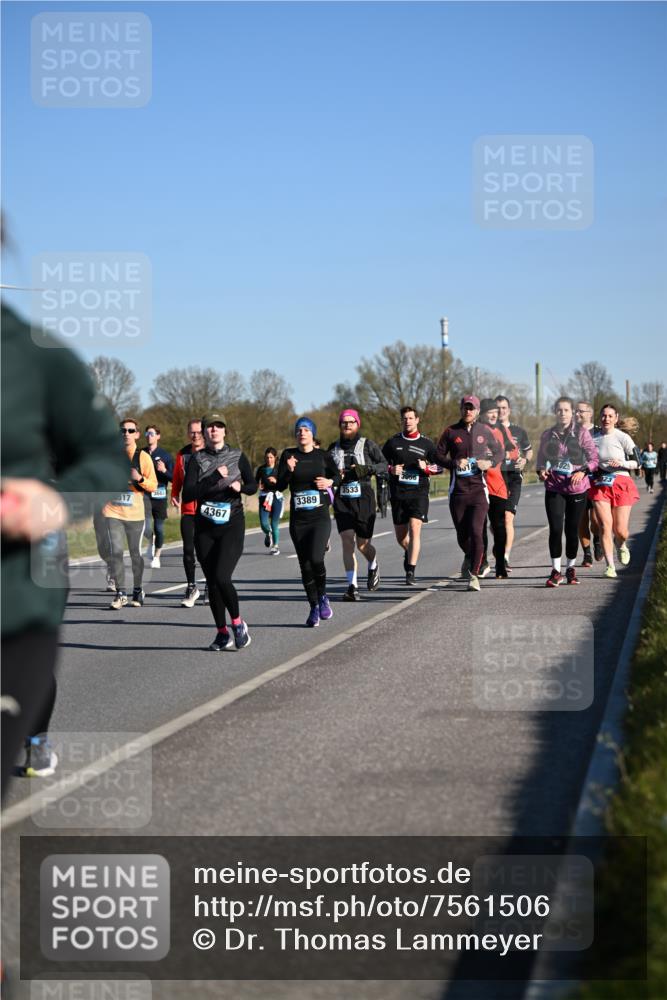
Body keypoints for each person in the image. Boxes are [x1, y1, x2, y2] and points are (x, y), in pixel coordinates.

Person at [1, 300, 127, 796]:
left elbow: (106, 457)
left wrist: (56, 502)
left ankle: (35, 733)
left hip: (17, 590)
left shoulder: (35, 355)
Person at [182, 412, 256, 649]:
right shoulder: (197, 459)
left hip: (232, 523)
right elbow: (189, 494)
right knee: (212, 582)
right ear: (204, 432)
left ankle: (238, 624)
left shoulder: (237, 456)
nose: (214, 430)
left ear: (225, 431)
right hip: (205, 526)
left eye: (218, 426)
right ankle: (222, 632)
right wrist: (214, 476)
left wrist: (241, 487)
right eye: (209, 427)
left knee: (223, 577)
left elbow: (253, 486)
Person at [276, 417, 341, 626]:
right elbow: (279, 486)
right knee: (304, 565)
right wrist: (288, 470)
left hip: (319, 517)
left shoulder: (322, 456)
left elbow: (339, 477)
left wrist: (330, 481)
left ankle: (323, 596)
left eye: (305, 429)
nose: (302, 433)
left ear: (312, 434)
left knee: (316, 559)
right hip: (298, 520)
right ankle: (313, 606)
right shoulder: (288, 455)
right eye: (298, 430)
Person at [435, 395, 504, 592]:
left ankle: (474, 574)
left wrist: (489, 463)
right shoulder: (451, 432)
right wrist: (453, 463)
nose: (468, 411)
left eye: (471, 408)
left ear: (477, 411)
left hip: (478, 490)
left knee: (476, 531)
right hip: (457, 492)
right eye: (465, 408)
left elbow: (499, 453)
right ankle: (470, 555)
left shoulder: (484, 431)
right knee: (462, 535)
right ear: (461, 409)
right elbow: (437, 455)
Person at [535, 397, 598, 588]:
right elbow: (541, 459)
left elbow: (594, 458)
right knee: (555, 529)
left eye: (566, 410)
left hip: (577, 488)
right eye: (559, 410)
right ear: (555, 412)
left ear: (573, 413)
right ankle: (556, 571)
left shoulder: (581, 433)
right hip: (554, 486)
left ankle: (570, 568)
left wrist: (583, 471)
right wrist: (541, 470)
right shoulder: (548, 434)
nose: (563, 413)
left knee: (571, 530)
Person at [327, 409, 387, 601]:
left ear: (357, 424)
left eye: (351, 422)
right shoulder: (332, 449)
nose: (347, 425)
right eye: (344, 422)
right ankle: (352, 586)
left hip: (364, 498)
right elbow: (324, 472)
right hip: (342, 499)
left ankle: (373, 564)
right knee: (347, 541)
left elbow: (384, 466)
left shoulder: (368, 445)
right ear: (340, 425)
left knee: (363, 545)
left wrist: (366, 469)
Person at [103, 420, 158, 608]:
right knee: (116, 552)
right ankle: (120, 593)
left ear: (137, 434)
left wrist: (140, 479)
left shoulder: (143, 457)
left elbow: (153, 485)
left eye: (130, 430)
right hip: (112, 511)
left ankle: (137, 589)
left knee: (135, 553)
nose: (126, 433)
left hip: (135, 514)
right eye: (123, 430)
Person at [382, 406, 439, 586]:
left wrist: (427, 469)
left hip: (419, 493)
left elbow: (441, 466)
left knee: (415, 528)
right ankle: (409, 552)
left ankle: (410, 571)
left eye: (411, 418)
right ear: (402, 421)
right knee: (401, 537)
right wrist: (391, 469)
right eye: (405, 418)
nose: (408, 421)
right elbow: (379, 464)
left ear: (417, 420)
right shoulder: (392, 443)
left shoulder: (427, 444)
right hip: (398, 494)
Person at [589, 405, 640, 578]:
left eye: (610, 416)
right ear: (600, 417)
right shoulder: (591, 437)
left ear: (616, 418)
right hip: (600, 483)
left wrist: (622, 463)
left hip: (621, 481)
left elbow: (637, 462)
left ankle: (622, 544)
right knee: (605, 526)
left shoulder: (623, 437)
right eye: (604, 416)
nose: (606, 419)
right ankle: (610, 566)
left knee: (621, 531)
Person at [494, 395, 532, 573]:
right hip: (494, 478)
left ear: (509, 410)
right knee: (496, 522)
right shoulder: (488, 431)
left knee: (508, 517)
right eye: (498, 408)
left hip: (514, 477)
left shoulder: (519, 431)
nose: (501, 411)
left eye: (504, 408)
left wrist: (525, 460)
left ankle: (505, 557)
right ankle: (500, 545)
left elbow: (529, 452)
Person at [171, 418, 205, 606]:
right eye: (192, 432)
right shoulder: (182, 454)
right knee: (188, 549)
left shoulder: (211, 452)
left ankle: (210, 584)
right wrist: (175, 493)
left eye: (199, 432)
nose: (195, 435)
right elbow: (177, 477)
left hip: (208, 510)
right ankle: (192, 587)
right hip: (188, 509)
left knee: (206, 551)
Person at [478, 399, 510, 579]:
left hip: (497, 485)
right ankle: (481, 562)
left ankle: (500, 565)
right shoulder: (475, 431)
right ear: (481, 414)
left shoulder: (501, 431)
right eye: (489, 412)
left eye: (495, 412)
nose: (493, 415)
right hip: (478, 487)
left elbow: (512, 454)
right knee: (479, 527)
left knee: (499, 527)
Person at [574, 400, 602, 566]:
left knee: (596, 519)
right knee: (581, 519)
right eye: (576, 411)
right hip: (577, 481)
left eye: (582, 411)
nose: (578, 414)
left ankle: (597, 540)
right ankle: (587, 553)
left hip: (596, 480)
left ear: (590, 413)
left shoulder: (599, 432)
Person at [142, 425, 174, 568]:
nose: (149, 436)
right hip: (144, 496)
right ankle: (151, 541)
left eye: (152, 433)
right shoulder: (141, 453)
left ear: (158, 436)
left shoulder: (166, 456)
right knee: (146, 528)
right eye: (147, 433)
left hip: (160, 497)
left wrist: (164, 470)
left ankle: (157, 556)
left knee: (159, 527)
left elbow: (174, 478)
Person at [256, 447, 283, 554]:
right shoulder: (261, 469)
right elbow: (255, 481)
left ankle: (275, 546)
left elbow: (285, 483)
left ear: (275, 458)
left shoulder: (279, 469)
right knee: (263, 523)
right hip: (264, 497)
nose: (269, 459)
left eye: (271, 457)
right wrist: (258, 485)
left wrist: (276, 481)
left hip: (276, 497)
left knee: (274, 523)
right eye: (267, 457)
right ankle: (268, 533)